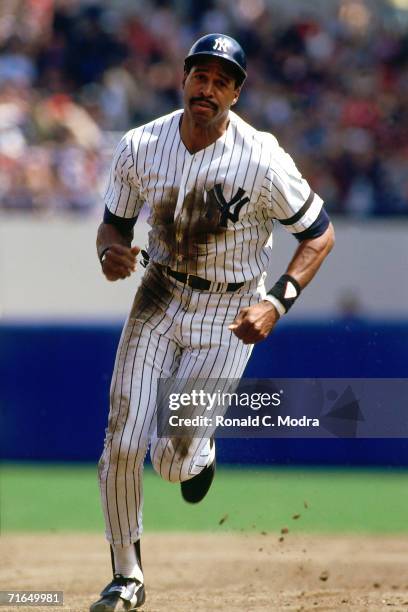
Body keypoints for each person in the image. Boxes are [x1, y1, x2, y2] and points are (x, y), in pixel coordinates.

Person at [90, 33, 335, 611]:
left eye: (221, 80)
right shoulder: (140, 146)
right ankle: (128, 576)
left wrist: (277, 301)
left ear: (237, 92)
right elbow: (113, 229)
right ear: (183, 79)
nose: (208, 88)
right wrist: (108, 255)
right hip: (159, 293)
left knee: (171, 461)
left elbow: (319, 234)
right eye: (200, 75)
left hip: (230, 312)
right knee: (122, 438)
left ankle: (196, 454)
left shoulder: (262, 158)